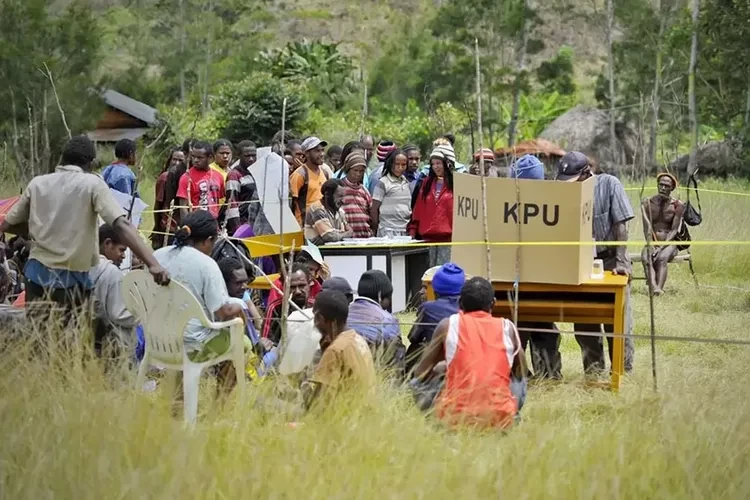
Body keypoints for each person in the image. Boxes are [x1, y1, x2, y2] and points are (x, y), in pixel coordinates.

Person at [0, 135, 169, 325]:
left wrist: (33, 232)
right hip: (71, 280)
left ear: (62, 159)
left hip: (35, 275)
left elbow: (7, 224)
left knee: (39, 339)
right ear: (89, 163)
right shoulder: (92, 184)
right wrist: (153, 264)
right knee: (71, 341)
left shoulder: (37, 183)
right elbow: (120, 224)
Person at [555, 151, 635, 374]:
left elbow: (621, 225)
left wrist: (621, 262)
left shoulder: (609, 184)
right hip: (583, 264)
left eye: (574, 180)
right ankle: (593, 371)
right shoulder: (566, 193)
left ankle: (622, 371)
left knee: (618, 321)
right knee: (584, 320)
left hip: (611, 260)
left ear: (586, 173)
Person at [413, 277, 526, 429]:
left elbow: (420, 374)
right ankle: (510, 415)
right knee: (519, 382)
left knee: (416, 382)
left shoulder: (447, 325)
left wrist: (442, 368)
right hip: (499, 418)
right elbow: (521, 373)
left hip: (454, 417)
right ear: (493, 303)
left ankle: (435, 420)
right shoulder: (508, 327)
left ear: (460, 303)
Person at [154, 211, 244, 395]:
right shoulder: (206, 265)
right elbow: (224, 312)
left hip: (158, 342)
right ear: (208, 240)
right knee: (242, 343)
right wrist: (241, 306)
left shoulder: (157, 256)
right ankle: (219, 408)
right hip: (192, 346)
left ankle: (178, 402)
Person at [509, 155, 562, 380]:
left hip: (527, 281)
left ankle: (530, 373)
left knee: (536, 329)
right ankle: (540, 373)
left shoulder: (505, 201)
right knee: (539, 329)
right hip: (532, 281)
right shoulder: (551, 201)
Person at [303, 289, 377, 410]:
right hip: (363, 416)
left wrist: (304, 386)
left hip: (342, 420)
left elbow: (318, 405)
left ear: (320, 318)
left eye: (315, 317)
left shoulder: (335, 350)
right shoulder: (357, 339)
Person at [405, 263, 464, 375]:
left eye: (425, 287)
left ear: (435, 287)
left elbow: (413, 338)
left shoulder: (428, 308)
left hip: (436, 368)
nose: (421, 292)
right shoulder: (467, 308)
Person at [90, 224, 137, 357]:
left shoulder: (86, 262)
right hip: (110, 344)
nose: (123, 256)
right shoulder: (112, 272)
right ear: (108, 244)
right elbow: (119, 314)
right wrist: (140, 312)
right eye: (121, 250)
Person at [347, 270, 405, 370]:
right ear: (380, 296)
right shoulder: (388, 320)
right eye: (389, 298)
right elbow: (397, 360)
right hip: (374, 375)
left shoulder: (343, 313)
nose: (390, 303)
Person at [409, 143, 455, 267]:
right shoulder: (425, 184)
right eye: (433, 164)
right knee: (427, 275)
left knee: (445, 274)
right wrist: (412, 232)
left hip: (448, 240)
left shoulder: (457, 185)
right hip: (426, 239)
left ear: (447, 163)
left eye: (438, 163)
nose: (435, 167)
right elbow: (417, 211)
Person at [641, 173, 685, 295]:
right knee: (646, 257)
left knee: (661, 258)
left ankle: (659, 288)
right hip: (652, 242)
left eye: (667, 186)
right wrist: (650, 244)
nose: (663, 188)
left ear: (672, 188)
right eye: (661, 185)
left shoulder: (677, 205)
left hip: (669, 244)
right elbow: (647, 228)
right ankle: (654, 288)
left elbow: (674, 230)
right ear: (657, 185)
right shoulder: (648, 203)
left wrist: (661, 247)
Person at [225, 140, 273, 236]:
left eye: (253, 155)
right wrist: (238, 231)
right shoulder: (234, 175)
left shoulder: (258, 173)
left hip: (257, 223)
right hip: (243, 225)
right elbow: (232, 204)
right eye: (247, 156)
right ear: (239, 156)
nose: (251, 159)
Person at [262, 263, 312, 344]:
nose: (297, 291)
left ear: (309, 284)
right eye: (292, 287)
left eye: (302, 285)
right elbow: (265, 341)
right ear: (283, 287)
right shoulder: (275, 308)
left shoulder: (316, 308)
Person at [176, 140, 226, 220]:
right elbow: (183, 208)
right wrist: (187, 226)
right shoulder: (186, 178)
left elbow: (219, 202)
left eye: (200, 157)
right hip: (196, 224)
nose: (195, 160)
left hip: (213, 224)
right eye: (193, 156)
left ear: (210, 158)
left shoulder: (218, 176)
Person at [290, 136, 331, 225]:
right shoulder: (300, 175)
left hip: (322, 224)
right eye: (317, 151)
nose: (321, 154)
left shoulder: (325, 173)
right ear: (307, 154)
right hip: (304, 226)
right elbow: (292, 203)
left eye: (322, 150)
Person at [371, 149, 412, 237]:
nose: (400, 168)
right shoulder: (383, 183)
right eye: (397, 164)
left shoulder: (406, 183)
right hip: (387, 230)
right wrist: (376, 227)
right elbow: (374, 208)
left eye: (403, 165)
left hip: (404, 230)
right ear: (390, 164)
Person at [151, 147, 186, 249]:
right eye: (174, 159)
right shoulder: (164, 177)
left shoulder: (188, 178)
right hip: (168, 227)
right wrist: (157, 229)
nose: (176, 163)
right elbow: (158, 205)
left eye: (180, 160)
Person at [303, 179, 352, 245]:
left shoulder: (340, 211)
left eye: (344, 196)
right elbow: (329, 236)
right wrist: (345, 234)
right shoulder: (317, 209)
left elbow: (350, 231)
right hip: (316, 252)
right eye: (339, 196)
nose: (343, 200)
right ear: (327, 195)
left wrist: (342, 234)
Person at [340, 152, 373, 239]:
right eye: (355, 170)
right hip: (346, 237)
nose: (358, 174)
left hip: (364, 236)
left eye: (361, 171)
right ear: (348, 170)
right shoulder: (340, 188)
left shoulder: (364, 190)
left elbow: (371, 211)